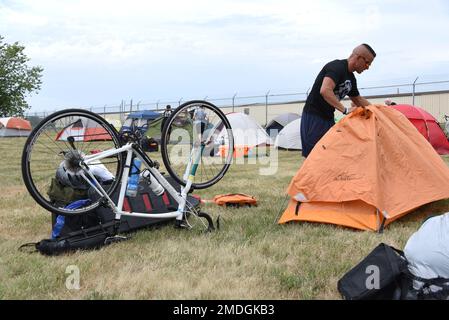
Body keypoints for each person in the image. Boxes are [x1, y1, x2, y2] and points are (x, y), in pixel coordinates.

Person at [300, 44, 376, 158]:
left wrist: (376, 111)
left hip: (328, 118)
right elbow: (325, 90)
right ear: (358, 57)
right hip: (314, 117)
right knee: (314, 157)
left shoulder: (351, 78)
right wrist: (345, 110)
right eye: (367, 63)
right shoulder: (337, 67)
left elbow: (357, 99)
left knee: (332, 156)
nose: (367, 67)